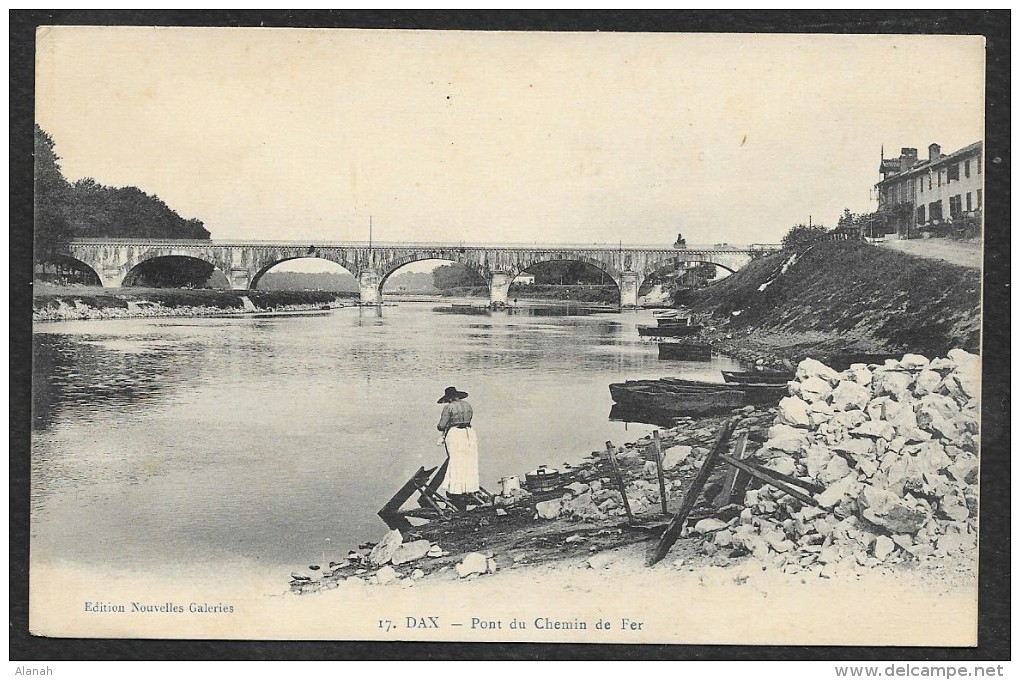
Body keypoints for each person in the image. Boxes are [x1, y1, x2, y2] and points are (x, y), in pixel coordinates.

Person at [435, 386, 480, 504]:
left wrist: (441, 427)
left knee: (455, 461)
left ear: (449, 398)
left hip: (455, 434)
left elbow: (441, 425)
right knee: (469, 460)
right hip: (469, 433)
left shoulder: (448, 407)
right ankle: (469, 488)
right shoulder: (467, 405)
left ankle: (455, 491)